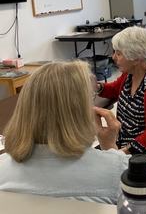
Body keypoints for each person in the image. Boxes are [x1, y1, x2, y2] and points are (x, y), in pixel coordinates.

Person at [0, 61, 128, 204]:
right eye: (91, 99)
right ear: (80, 110)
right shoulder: (117, 169)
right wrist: (110, 147)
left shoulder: (3, 171)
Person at [97, 26, 146, 160]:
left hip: (144, 150)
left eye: (118, 53)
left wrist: (122, 152)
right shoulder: (129, 74)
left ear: (136, 58)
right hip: (122, 141)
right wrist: (97, 86)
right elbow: (114, 89)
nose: (113, 57)